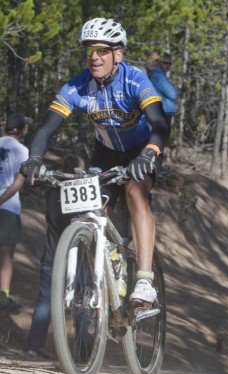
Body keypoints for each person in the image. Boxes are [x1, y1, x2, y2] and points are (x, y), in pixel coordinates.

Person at [20, 17, 170, 306]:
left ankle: (144, 279)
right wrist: (35, 158)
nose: (94, 57)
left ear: (118, 54)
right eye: (89, 51)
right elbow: (46, 128)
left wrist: (150, 152)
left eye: (102, 50)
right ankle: (100, 282)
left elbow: (160, 123)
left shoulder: (135, 79)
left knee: (135, 191)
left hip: (141, 149)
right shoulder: (76, 88)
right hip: (105, 153)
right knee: (91, 211)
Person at [25, 154, 84, 360]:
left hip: (51, 254)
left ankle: (34, 346)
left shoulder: (52, 192)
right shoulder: (82, 194)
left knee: (45, 301)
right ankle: (83, 352)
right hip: (77, 258)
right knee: (82, 301)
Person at [0, 112, 30, 313]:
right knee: (5, 258)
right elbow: (19, 181)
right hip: (8, 208)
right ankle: (3, 299)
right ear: (23, 130)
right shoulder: (22, 151)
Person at [146, 51, 178, 127]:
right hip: (163, 112)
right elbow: (173, 95)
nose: (168, 65)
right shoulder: (157, 75)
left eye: (170, 63)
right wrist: (177, 89)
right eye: (165, 63)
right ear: (159, 62)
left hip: (163, 112)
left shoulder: (160, 74)